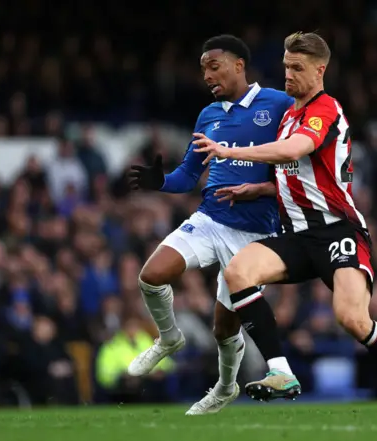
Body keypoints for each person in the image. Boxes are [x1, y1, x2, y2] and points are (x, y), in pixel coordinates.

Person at [193, 31, 377, 412]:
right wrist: (257, 191)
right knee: (237, 271)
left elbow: (296, 150)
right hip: (297, 235)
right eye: (286, 66)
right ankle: (281, 372)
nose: (287, 75)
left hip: (338, 231)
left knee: (352, 319)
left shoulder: (325, 109)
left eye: (297, 68)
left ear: (319, 70)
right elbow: (297, 175)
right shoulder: (288, 115)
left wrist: (231, 150)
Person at [127, 34, 296, 415]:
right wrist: (162, 182)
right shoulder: (209, 114)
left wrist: (262, 189)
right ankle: (169, 339)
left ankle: (224, 388)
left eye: (213, 66)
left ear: (239, 65)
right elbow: (189, 174)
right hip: (210, 219)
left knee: (223, 330)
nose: (206, 75)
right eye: (202, 68)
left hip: (256, 234)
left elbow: (297, 166)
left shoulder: (279, 105)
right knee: (151, 275)